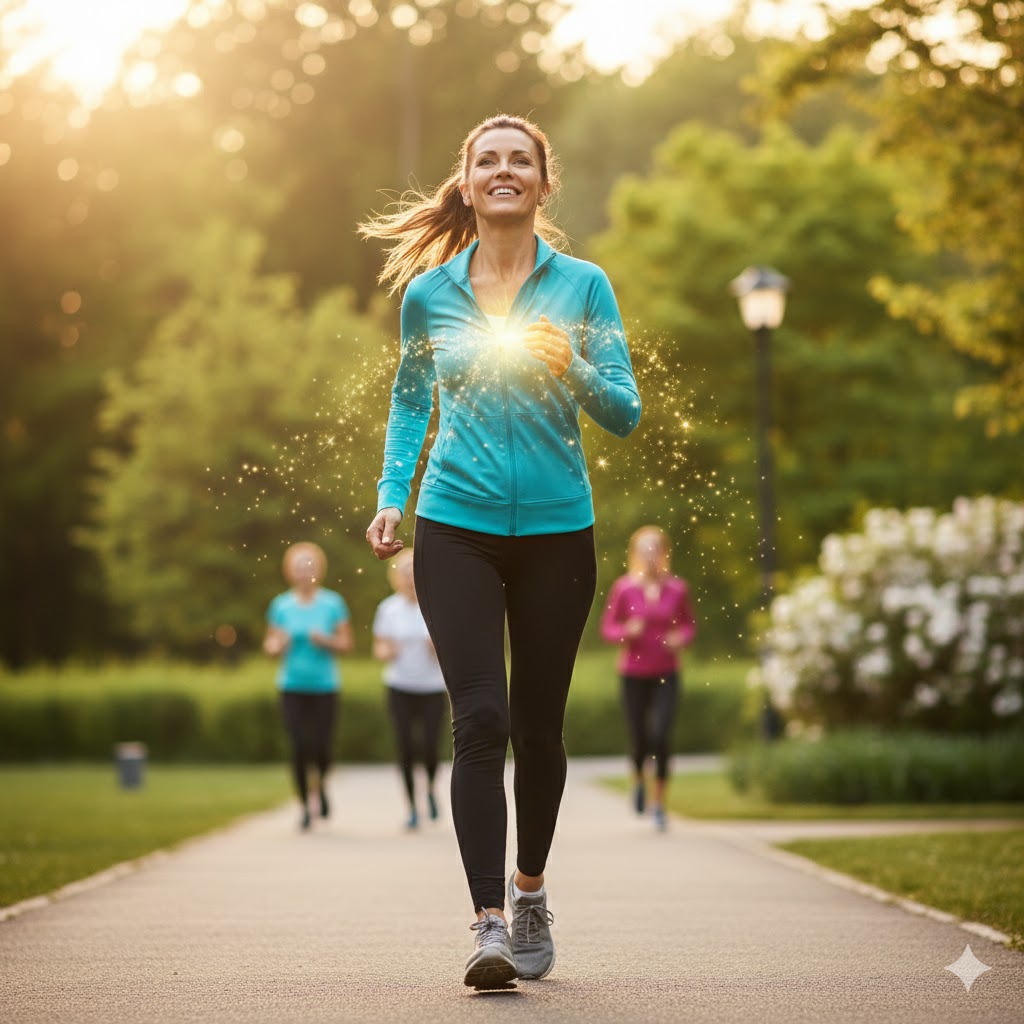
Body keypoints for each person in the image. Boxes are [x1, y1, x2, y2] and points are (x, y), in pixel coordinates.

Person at [360, 114, 641, 989]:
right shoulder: (429, 296)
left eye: (521, 160)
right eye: (490, 160)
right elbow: (412, 403)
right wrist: (389, 497)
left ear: (543, 185)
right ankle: (486, 923)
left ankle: (529, 893)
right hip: (457, 527)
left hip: (559, 529)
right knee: (480, 718)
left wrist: (575, 369)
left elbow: (626, 411)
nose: (505, 170)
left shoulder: (585, 286)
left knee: (538, 728)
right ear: (470, 182)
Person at [600, 525, 697, 831]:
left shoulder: (678, 588)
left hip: (667, 671)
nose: (651, 555)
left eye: (656, 549)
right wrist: (626, 632)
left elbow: (689, 625)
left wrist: (680, 637)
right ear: (636, 554)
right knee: (640, 737)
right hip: (633, 672)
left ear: (664, 553)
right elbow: (608, 628)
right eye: (645, 550)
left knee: (662, 735)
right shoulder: (624, 588)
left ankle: (659, 804)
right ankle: (639, 780)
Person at [263, 542, 353, 831]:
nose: (305, 571)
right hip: (291, 686)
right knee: (300, 746)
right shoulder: (281, 606)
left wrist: (325, 641)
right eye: (299, 566)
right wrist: (280, 644)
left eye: (309, 565)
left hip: (325, 686)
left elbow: (347, 643)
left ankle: (321, 786)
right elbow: (270, 646)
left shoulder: (332, 603)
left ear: (319, 569)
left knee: (323, 747)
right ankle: (304, 806)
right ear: (290, 571)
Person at [372, 547, 448, 831]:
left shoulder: (436, 605)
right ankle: (411, 807)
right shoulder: (387, 609)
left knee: (429, 745)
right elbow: (379, 646)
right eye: (404, 573)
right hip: (399, 686)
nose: (409, 578)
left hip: (432, 687)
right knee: (405, 747)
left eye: (414, 572)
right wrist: (386, 651)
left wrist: (437, 647)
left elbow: (453, 649)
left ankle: (428, 787)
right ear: (396, 578)